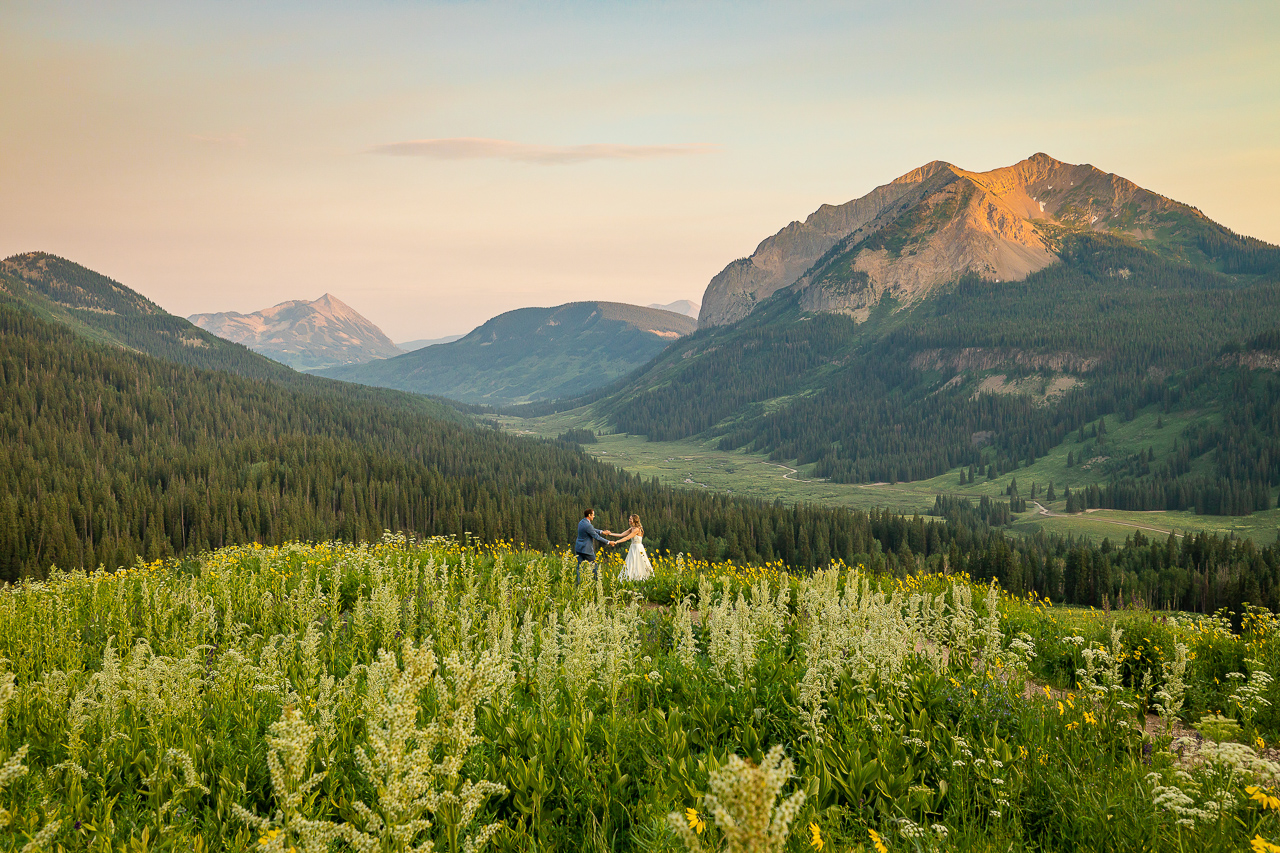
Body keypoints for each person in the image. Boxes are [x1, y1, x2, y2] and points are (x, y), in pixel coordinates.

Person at [574, 508, 614, 584]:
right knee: (594, 567)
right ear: (589, 515)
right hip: (587, 550)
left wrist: (602, 532)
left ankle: (579, 584)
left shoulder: (581, 522)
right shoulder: (588, 525)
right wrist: (609, 542)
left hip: (579, 548)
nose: (594, 516)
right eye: (593, 515)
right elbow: (596, 537)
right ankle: (597, 583)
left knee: (579, 568)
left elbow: (592, 529)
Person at [611, 513, 653, 582]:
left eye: (630, 519)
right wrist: (610, 533)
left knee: (639, 563)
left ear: (634, 520)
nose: (629, 520)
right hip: (633, 547)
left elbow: (627, 537)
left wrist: (616, 542)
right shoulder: (632, 529)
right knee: (631, 563)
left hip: (637, 548)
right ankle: (631, 579)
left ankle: (640, 579)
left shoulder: (636, 529)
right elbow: (621, 534)